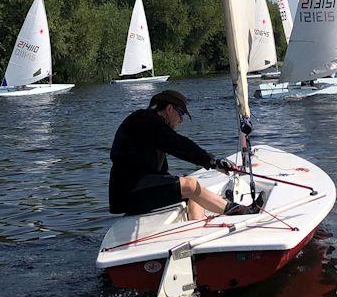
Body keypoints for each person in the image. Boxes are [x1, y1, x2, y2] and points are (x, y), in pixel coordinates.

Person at [109, 90, 255, 221]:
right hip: (129, 195)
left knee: (193, 190)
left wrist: (211, 162)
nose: (181, 119)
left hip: (139, 189)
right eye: (181, 114)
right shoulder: (146, 121)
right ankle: (241, 211)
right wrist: (212, 162)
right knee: (190, 185)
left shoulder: (149, 126)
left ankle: (197, 228)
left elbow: (165, 156)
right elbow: (180, 145)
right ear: (169, 109)